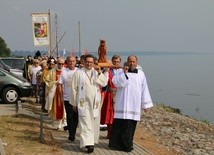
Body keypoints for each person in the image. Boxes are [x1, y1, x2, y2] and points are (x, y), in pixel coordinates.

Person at [108, 55, 153, 152]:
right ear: (127, 62)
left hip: (134, 105)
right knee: (119, 125)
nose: (131, 63)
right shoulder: (120, 72)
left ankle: (127, 145)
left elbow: (144, 89)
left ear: (137, 62)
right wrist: (125, 73)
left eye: (133, 61)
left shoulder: (141, 74)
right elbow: (115, 83)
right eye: (130, 61)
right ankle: (115, 144)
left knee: (129, 126)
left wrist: (145, 104)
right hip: (122, 103)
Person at [70, 54, 107, 153]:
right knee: (85, 123)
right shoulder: (78, 73)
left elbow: (104, 83)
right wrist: (74, 103)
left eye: (91, 62)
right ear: (83, 62)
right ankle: (88, 144)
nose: (89, 64)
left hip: (94, 103)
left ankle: (91, 142)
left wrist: (99, 72)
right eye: (87, 62)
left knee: (93, 123)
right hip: (83, 103)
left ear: (94, 63)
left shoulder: (96, 73)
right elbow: (73, 88)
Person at [100, 55, 121, 139]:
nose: (116, 63)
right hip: (110, 95)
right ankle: (110, 132)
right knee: (110, 114)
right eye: (114, 61)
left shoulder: (122, 71)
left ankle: (117, 133)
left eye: (117, 62)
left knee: (118, 113)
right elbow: (104, 83)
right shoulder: (108, 71)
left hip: (119, 94)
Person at [58, 56, 78, 141]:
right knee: (69, 117)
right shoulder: (64, 72)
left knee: (76, 117)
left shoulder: (79, 71)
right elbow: (59, 84)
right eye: (70, 61)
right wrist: (61, 96)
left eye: (73, 61)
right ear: (67, 62)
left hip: (78, 98)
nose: (71, 63)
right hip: (67, 98)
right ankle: (71, 134)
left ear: (75, 62)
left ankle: (73, 131)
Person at [45, 57, 66, 129]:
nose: (61, 65)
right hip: (54, 93)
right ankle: (55, 124)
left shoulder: (65, 71)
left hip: (64, 93)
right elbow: (47, 81)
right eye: (59, 63)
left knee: (64, 109)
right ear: (57, 63)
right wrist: (55, 82)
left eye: (62, 64)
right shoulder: (52, 71)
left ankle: (63, 124)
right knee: (55, 108)